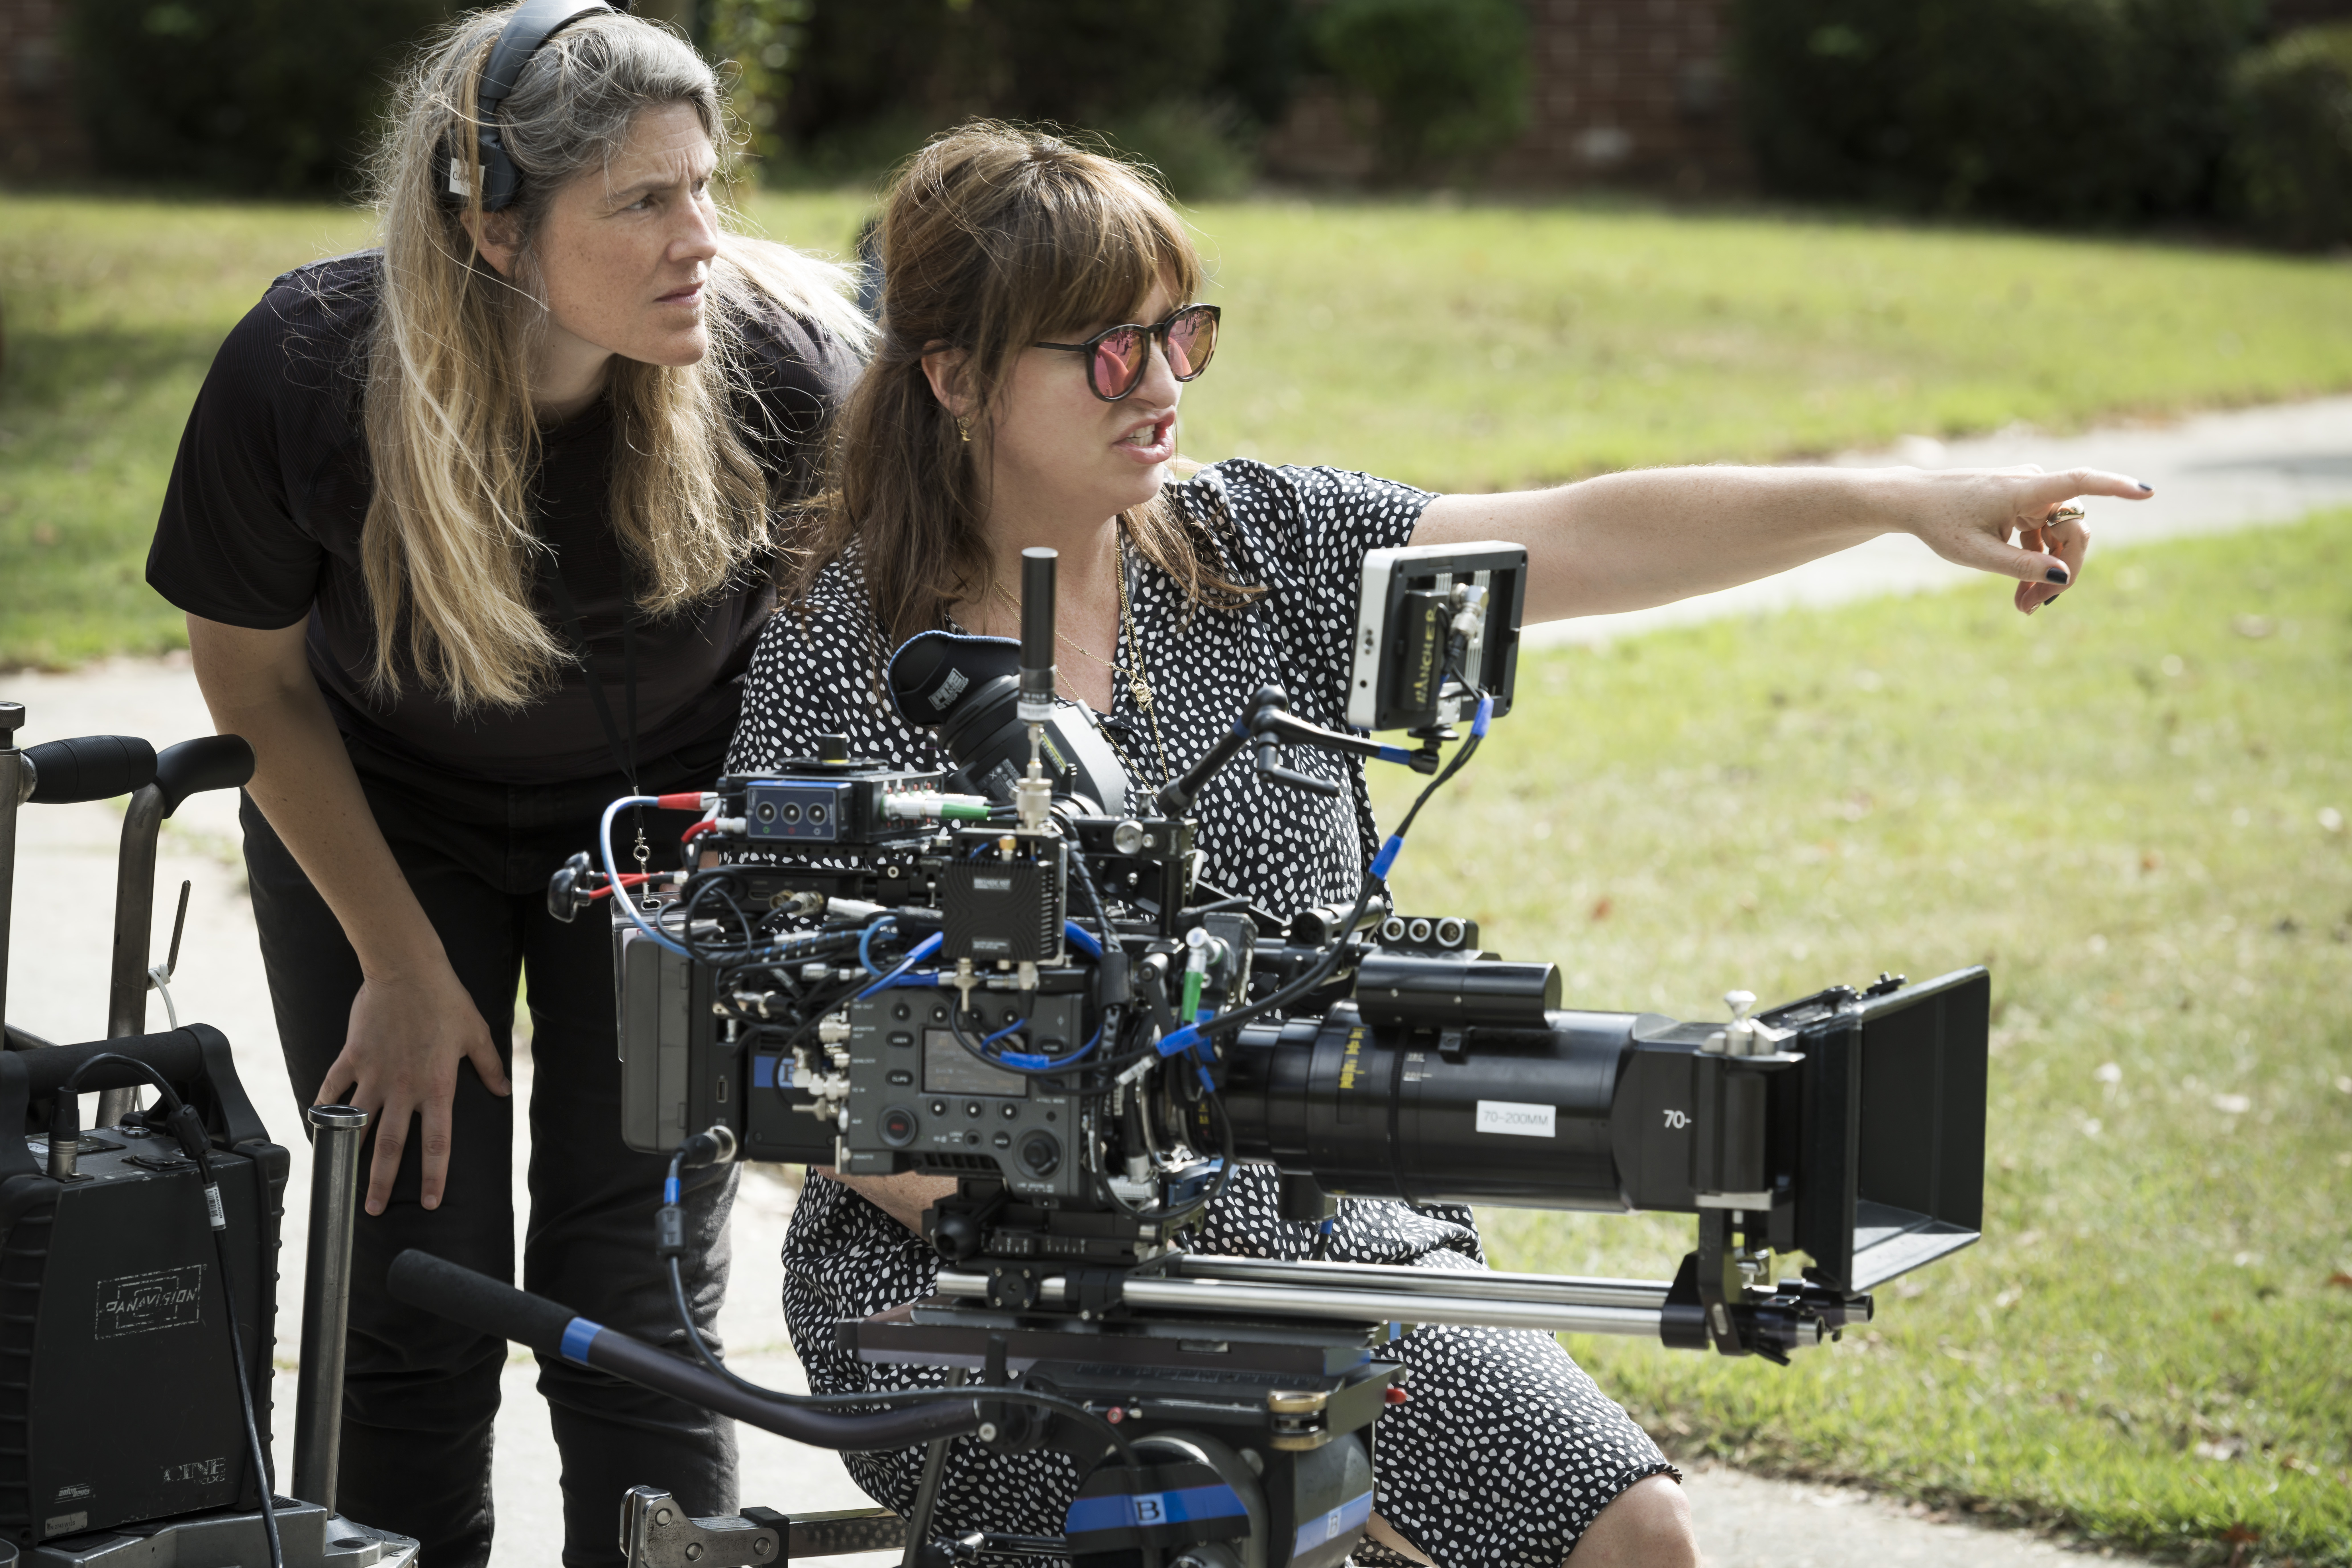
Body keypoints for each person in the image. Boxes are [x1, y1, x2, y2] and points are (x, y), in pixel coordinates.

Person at [728, 121, 2149, 1568]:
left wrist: (1897, 505)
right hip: (971, 1276)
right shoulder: (841, 649)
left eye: (1180, 336)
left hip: (1327, 1219)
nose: (1159, 387)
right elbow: (784, 1041)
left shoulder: (1261, 547)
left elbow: (1583, 534)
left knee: (1635, 1533)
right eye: (1104, 351)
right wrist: (1044, 1187)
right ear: (957, 376)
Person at [141, 5, 869, 1563]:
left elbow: (872, 651)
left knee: (638, 1288)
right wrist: (399, 967)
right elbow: (252, 678)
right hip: (383, 815)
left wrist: (748, 902)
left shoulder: (780, 366)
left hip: (672, 834)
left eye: (707, 187)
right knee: (416, 1262)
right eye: (646, 202)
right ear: (491, 221)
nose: (704, 239)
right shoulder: (303, 366)